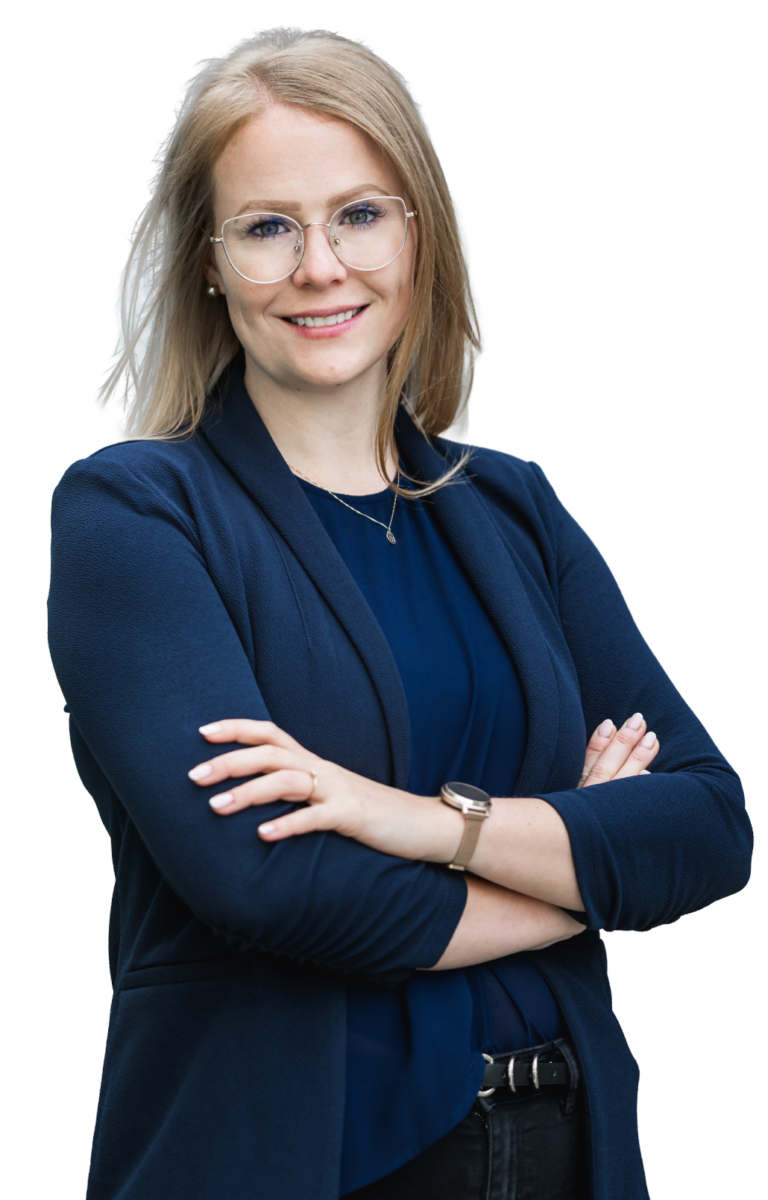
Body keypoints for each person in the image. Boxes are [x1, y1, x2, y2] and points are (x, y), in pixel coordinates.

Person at [47, 28, 751, 1200]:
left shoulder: (516, 506)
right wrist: (580, 875)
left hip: (563, 1148)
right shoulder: (133, 512)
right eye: (268, 228)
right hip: (290, 1163)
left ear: (421, 236)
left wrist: (415, 823)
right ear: (208, 262)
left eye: (361, 215)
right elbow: (267, 885)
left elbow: (710, 828)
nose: (320, 266)